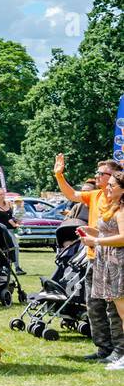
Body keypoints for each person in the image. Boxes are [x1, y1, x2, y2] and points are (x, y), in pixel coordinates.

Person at [54, 154, 124, 363]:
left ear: (114, 176)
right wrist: (59, 174)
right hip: (96, 258)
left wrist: (98, 240)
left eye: (101, 174)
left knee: (115, 307)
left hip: (114, 259)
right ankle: (103, 348)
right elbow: (72, 194)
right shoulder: (96, 196)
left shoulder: (118, 204)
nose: (97, 177)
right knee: (94, 305)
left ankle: (119, 350)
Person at [79, 172, 124, 371]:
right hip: (108, 262)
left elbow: (123, 238)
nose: (108, 188)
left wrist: (95, 241)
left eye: (112, 185)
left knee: (123, 313)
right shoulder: (114, 207)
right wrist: (92, 233)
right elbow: (109, 233)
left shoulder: (122, 210)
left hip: (118, 264)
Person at [0, 187, 24, 274]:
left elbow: (12, 216)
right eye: (0, 194)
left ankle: (14, 267)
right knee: (13, 247)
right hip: (3, 231)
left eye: (3, 194)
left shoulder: (9, 203)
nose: (2, 196)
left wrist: (17, 220)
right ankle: (14, 267)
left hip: (12, 229)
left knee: (13, 248)